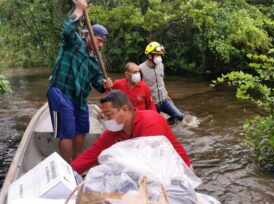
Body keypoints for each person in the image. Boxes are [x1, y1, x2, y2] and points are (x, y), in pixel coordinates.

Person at [47, 0, 113, 163]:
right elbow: (67, 31)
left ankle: (76, 163)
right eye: (99, 40)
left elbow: (97, 82)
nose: (101, 45)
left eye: (103, 42)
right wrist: (78, 10)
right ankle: (67, 165)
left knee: (83, 128)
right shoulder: (75, 42)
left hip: (79, 99)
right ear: (89, 35)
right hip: (60, 92)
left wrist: (104, 84)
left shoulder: (95, 59)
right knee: (67, 131)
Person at [71, 90, 191, 175]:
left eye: (109, 115)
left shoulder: (150, 121)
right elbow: (90, 155)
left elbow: (151, 164)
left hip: (178, 172)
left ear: (125, 109)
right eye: (103, 116)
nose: (106, 120)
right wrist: (68, 174)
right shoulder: (115, 130)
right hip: (147, 173)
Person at [139, 41, 184, 122]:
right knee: (153, 123)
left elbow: (161, 82)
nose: (159, 57)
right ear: (149, 56)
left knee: (179, 116)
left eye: (160, 55)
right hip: (152, 104)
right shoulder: (140, 69)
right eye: (157, 55)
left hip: (164, 100)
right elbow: (138, 88)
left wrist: (166, 94)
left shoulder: (161, 65)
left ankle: (166, 124)